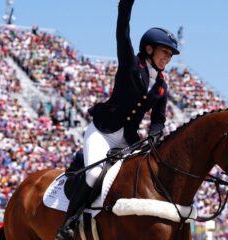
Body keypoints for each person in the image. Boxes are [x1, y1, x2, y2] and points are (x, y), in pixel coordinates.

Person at [55, 0, 179, 238]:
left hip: (129, 140)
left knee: (139, 179)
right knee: (93, 175)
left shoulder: (162, 85)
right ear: (150, 49)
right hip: (103, 131)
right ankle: (68, 225)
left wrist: (154, 134)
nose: (168, 58)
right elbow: (123, 31)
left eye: (171, 54)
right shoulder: (131, 64)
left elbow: (159, 119)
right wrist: (125, 6)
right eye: (165, 51)